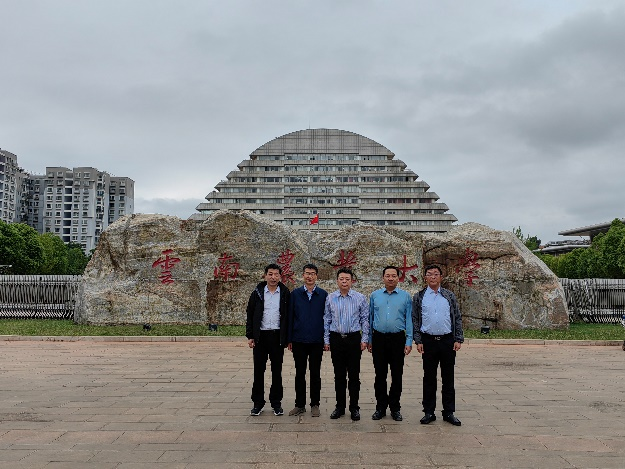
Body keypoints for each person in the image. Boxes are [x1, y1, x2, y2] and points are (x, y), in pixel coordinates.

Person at [412, 264, 464, 426]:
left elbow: (457, 317)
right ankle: (429, 412)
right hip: (428, 341)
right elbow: (415, 320)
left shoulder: (449, 295)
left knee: (448, 378)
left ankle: (449, 412)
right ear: (425, 277)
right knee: (429, 378)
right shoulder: (419, 297)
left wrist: (458, 338)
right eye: (429, 274)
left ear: (441, 277)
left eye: (436, 274)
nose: (433, 277)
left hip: (447, 341)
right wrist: (418, 340)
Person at [323, 267, 370, 421]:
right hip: (336, 338)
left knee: (354, 375)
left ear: (352, 281)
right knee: (339, 375)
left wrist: (364, 339)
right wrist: (326, 340)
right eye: (341, 279)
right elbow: (327, 319)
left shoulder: (359, 298)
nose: (344, 282)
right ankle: (340, 407)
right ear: (337, 281)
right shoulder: (330, 298)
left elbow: (365, 319)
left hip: (353, 339)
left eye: (347, 279)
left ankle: (354, 407)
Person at [367, 266, 413, 421]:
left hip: (397, 339)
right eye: (388, 275)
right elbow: (370, 318)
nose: (391, 278)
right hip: (379, 338)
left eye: (394, 276)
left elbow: (409, 319)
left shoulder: (405, 297)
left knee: (397, 374)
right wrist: (370, 339)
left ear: (398, 278)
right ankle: (380, 407)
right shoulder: (375, 296)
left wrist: (409, 340)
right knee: (380, 375)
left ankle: (395, 408)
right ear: (383, 278)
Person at [246, 263, 291, 416]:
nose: (273, 277)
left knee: (277, 371)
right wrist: (250, 335)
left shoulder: (285, 293)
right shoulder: (257, 293)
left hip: (277, 336)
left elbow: (288, 316)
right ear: (265, 275)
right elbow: (250, 314)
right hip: (261, 337)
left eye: (276, 274)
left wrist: (287, 337)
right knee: (259, 371)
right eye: (270, 274)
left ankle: (276, 403)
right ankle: (258, 403)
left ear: (280, 276)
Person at [287, 263, 328, 418]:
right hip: (299, 340)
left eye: (312, 273)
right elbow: (290, 317)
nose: (309, 276)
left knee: (315, 373)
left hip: (317, 340)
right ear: (303, 275)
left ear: (316, 276)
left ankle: (315, 404)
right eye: (307, 273)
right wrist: (289, 338)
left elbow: (327, 318)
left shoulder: (323, 295)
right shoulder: (295, 294)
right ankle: (299, 405)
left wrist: (326, 339)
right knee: (300, 373)